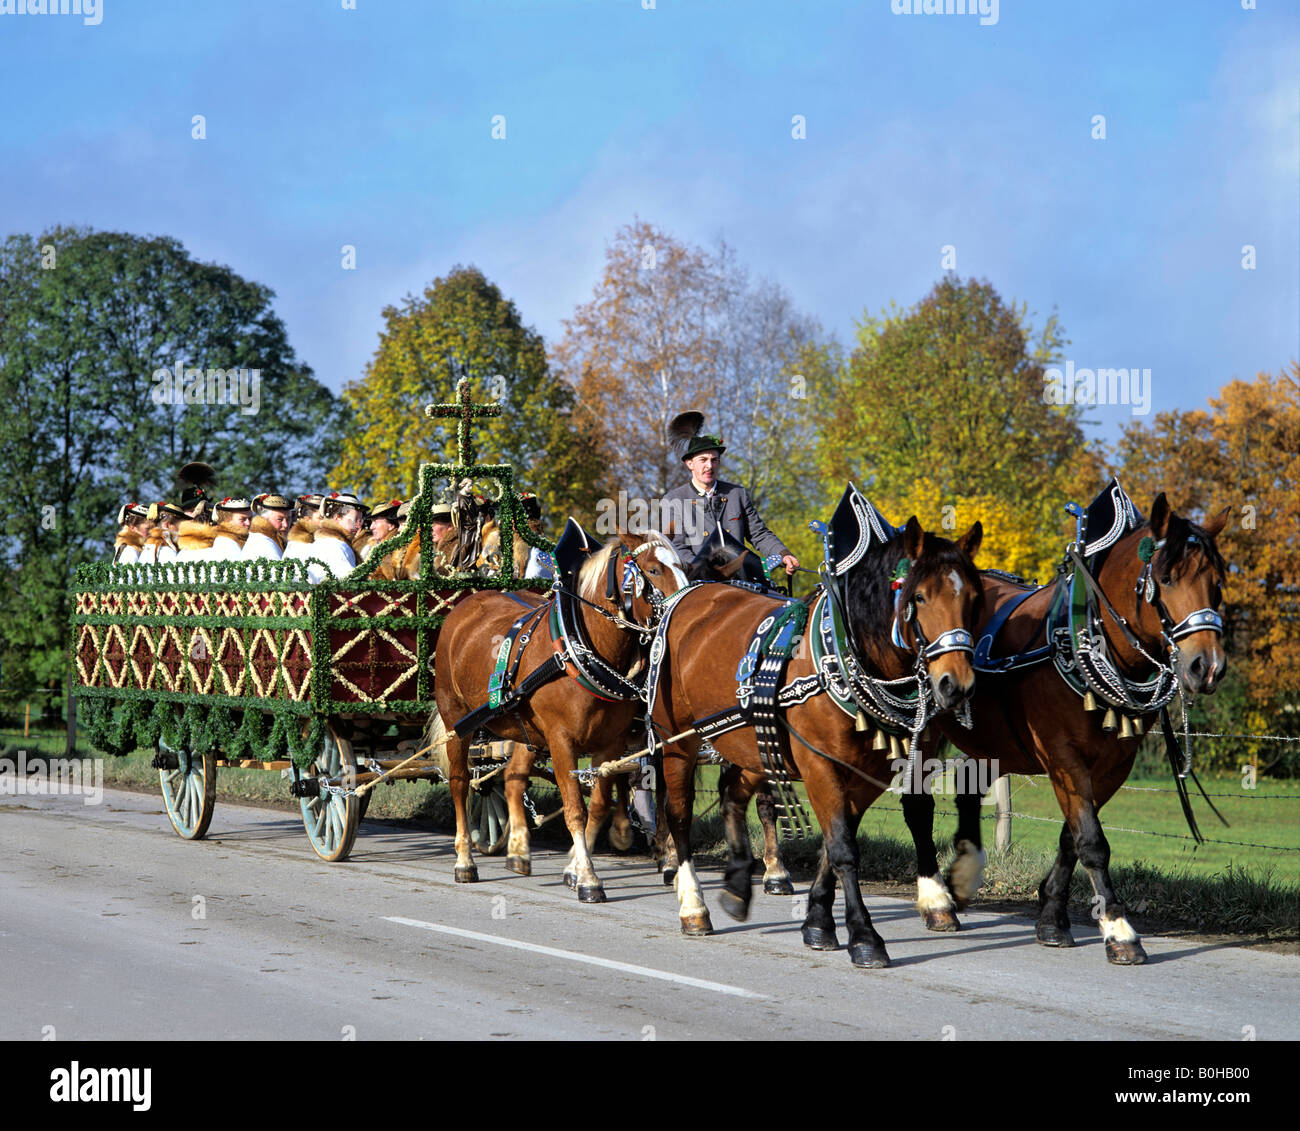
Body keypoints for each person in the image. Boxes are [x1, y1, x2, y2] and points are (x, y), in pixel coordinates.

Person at [659, 421, 799, 577]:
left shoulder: (737, 494)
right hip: (701, 581)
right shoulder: (673, 499)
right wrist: (705, 573)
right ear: (690, 463)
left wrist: (783, 554)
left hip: (741, 577)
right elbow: (677, 547)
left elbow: (759, 533)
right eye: (703, 460)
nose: (709, 466)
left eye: (714, 460)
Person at [306, 491, 368, 583]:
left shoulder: (323, 541)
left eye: (360, 521)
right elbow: (350, 581)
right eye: (354, 520)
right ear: (337, 518)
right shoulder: (336, 545)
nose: (358, 525)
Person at [243, 493, 293, 560]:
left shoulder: (269, 540)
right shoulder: (263, 543)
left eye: (288, 519)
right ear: (265, 519)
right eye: (280, 519)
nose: (286, 524)